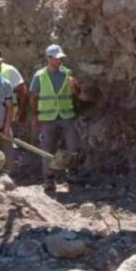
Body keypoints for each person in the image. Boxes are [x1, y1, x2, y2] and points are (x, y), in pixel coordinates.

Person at [30, 44, 81, 190]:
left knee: (73, 146)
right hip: (47, 118)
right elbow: (33, 96)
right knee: (47, 149)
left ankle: (72, 173)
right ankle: (49, 180)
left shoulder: (67, 73)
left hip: (66, 115)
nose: (60, 61)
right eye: (57, 58)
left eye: (61, 58)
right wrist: (35, 115)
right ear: (49, 58)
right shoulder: (40, 76)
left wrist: (75, 86)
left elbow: (77, 93)